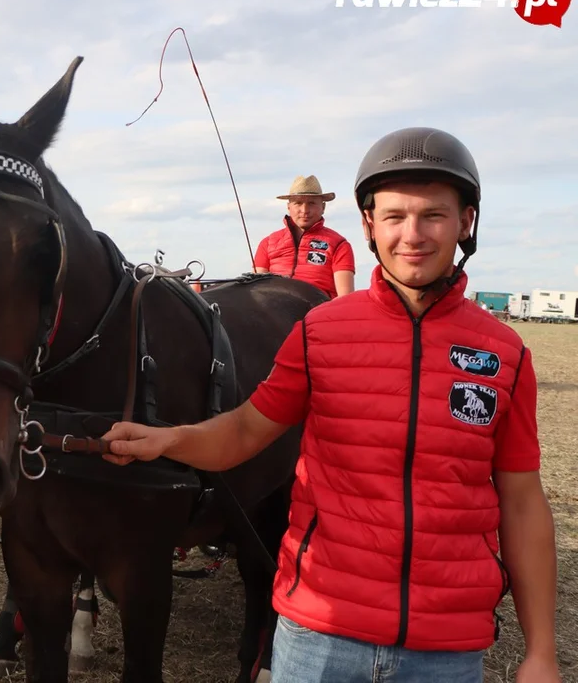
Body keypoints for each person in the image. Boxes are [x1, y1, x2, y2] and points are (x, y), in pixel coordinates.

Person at [102, 128, 560, 683]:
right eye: (394, 216)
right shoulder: (318, 332)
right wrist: (170, 439)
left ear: (466, 222)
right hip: (319, 637)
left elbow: (522, 503)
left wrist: (541, 651)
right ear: (370, 225)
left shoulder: (504, 352)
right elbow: (245, 431)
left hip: (446, 647)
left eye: (433, 215)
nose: (412, 234)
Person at [254, 175, 356, 298]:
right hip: (274, 310)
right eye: (298, 203)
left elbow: (345, 298)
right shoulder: (267, 243)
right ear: (289, 207)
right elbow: (257, 290)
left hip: (319, 313)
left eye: (311, 203)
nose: (305, 210)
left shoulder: (339, 245)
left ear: (323, 207)